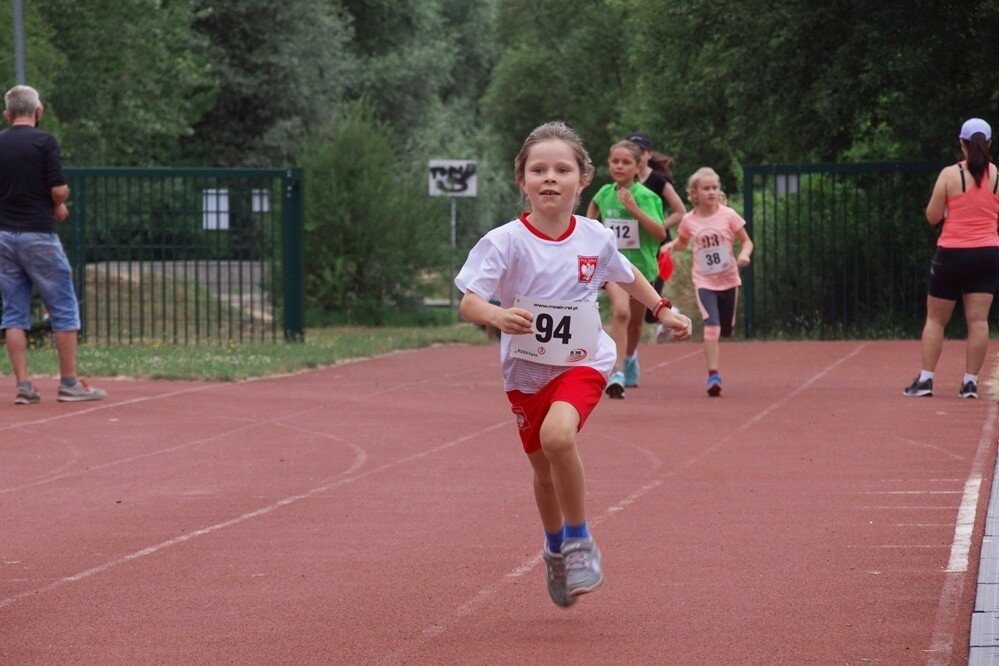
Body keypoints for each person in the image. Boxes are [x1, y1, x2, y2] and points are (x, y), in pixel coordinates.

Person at [454, 121, 691, 607]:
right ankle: (555, 547)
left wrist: (664, 309)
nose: (549, 178)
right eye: (538, 169)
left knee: (558, 436)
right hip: (525, 372)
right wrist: (496, 313)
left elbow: (628, 276)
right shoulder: (505, 241)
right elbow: (470, 301)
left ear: (582, 181)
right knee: (543, 473)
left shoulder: (594, 236)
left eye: (562, 170)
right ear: (522, 179)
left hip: (584, 360)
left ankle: (580, 539)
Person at [0, 85, 106, 404]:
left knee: (14, 312)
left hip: (4, 236)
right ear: (39, 112)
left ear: (7, 114)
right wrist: (57, 204)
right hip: (38, 235)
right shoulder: (45, 141)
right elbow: (58, 190)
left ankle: (24, 386)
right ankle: (69, 382)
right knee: (63, 307)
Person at [903, 117, 999, 399]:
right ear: (989, 144)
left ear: (962, 144)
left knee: (935, 319)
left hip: (952, 254)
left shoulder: (950, 175)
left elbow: (932, 216)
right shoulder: (997, 177)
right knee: (978, 321)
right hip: (988, 253)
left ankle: (926, 379)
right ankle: (970, 383)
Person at [585, 140, 666, 397]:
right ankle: (616, 369)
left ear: (638, 166)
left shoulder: (647, 197)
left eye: (626, 162)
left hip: (640, 268)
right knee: (620, 313)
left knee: (635, 326)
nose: (619, 166)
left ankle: (630, 357)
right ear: (608, 164)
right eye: (615, 161)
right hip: (612, 267)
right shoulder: (604, 193)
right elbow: (592, 217)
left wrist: (633, 209)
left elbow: (660, 233)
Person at [664, 167, 753, 397]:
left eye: (715, 187)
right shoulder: (688, 220)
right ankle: (713, 375)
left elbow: (747, 242)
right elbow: (683, 243)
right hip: (703, 281)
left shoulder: (728, 215)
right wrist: (670, 246)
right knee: (711, 326)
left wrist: (744, 255)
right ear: (695, 193)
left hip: (729, 279)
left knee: (725, 328)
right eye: (706, 188)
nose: (712, 192)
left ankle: (727, 327)